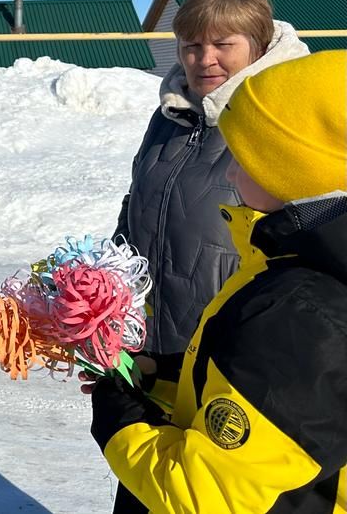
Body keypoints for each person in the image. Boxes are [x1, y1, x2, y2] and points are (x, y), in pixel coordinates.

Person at [90, 50, 347, 513]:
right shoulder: (297, 263)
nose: (230, 171)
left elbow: (203, 496)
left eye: (246, 158)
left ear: (297, 168)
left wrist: (120, 419)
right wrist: (166, 383)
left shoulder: (302, 311)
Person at [115, 0, 309, 359]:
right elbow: (136, 203)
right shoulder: (169, 116)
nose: (204, 59)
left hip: (237, 348)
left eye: (222, 45)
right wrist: (105, 295)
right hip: (144, 342)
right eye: (191, 46)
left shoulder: (283, 120)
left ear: (259, 45)